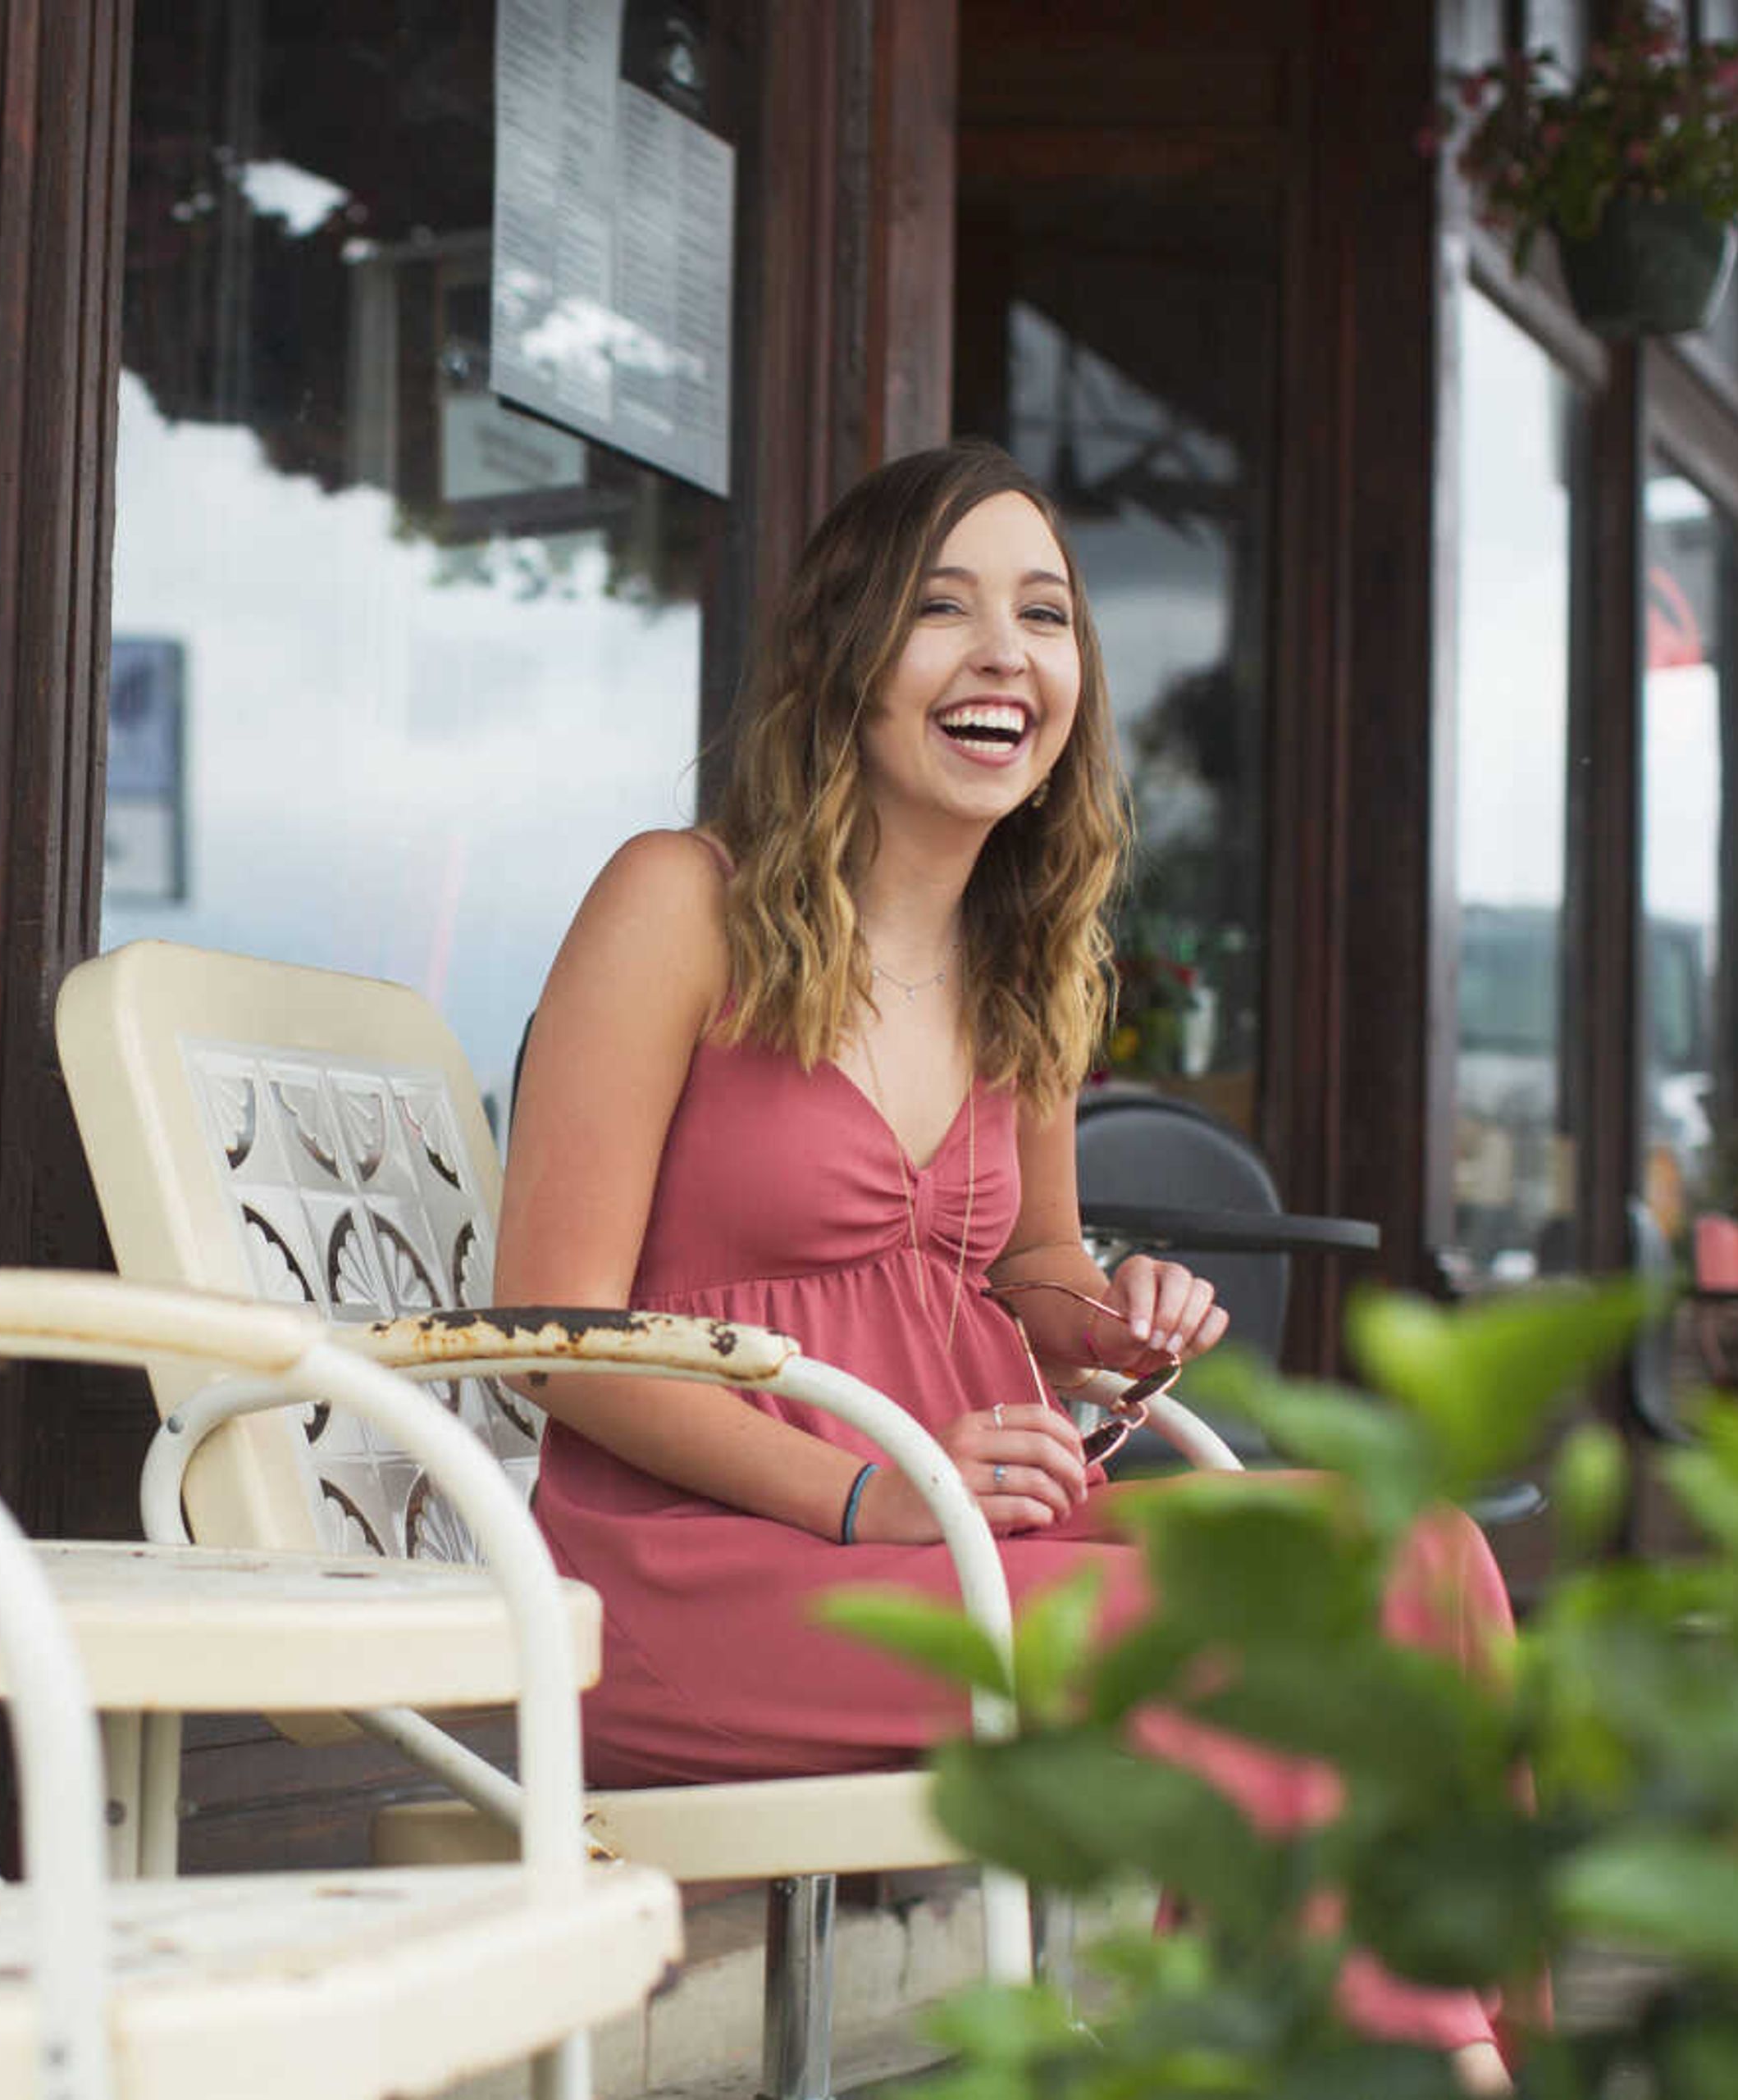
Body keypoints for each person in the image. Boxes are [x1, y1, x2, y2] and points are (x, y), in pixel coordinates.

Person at [499, 441, 1519, 2091]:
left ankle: (1378, 2056)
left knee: (1419, 1557)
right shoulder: (680, 903)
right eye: (944, 610)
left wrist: (1108, 1315)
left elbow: (1024, 1261)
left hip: (971, 1538)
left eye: (1043, 615)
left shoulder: (1029, 954)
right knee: (1264, 1631)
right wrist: (864, 1497)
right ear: (846, 653)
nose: (1006, 655)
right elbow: (553, 1338)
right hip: (712, 1569)